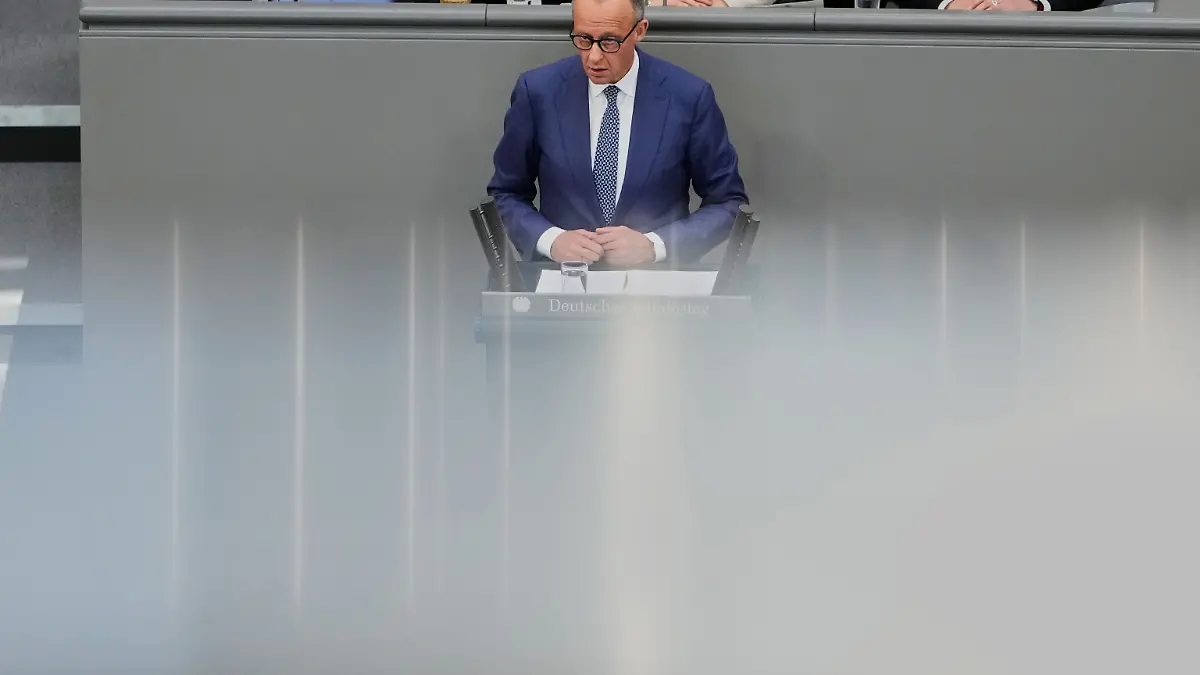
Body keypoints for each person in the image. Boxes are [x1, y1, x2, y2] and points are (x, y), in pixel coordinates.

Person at [487, 0, 748, 265]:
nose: (594, 56)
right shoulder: (538, 92)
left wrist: (655, 246)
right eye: (583, 39)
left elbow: (728, 202)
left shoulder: (688, 96)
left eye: (609, 41)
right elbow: (506, 194)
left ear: (640, 30)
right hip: (562, 279)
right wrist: (551, 240)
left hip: (656, 282)